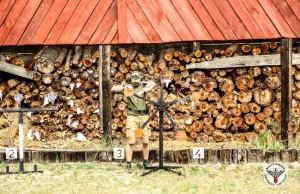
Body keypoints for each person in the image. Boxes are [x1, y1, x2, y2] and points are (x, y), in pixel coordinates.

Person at [111, 71, 155, 173]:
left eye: (137, 81)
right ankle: (129, 164)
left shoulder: (143, 86)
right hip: (132, 117)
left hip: (143, 116)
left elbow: (152, 83)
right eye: (134, 81)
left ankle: (145, 162)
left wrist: (143, 91)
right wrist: (125, 87)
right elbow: (113, 89)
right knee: (131, 141)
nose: (135, 83)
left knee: (145, 140)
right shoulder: (127, 88)